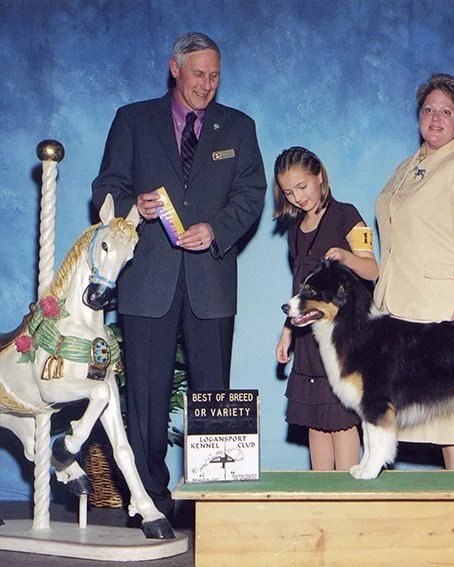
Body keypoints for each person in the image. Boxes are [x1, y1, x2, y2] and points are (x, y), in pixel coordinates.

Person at [92, 32, 266, 519]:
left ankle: (211, 502)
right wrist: (133, 208)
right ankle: (150, 498)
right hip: (147, 281)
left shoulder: (238, 127)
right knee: (145, 399)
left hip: (210, 282)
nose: (206, 85)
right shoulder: (132, 119)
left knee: (213, 395)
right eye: (197, 75)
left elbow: (252, 193)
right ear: (175, 68)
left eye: (214, 76)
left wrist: (216, 229)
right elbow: (107, 186)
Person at [374, 73, 454, 470]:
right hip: (402, 309)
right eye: (428, 109)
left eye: (446, 111)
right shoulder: (405, 168)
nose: (435, 118)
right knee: (409, 413)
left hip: (448, 310)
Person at [273, 146, 378, 470]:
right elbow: (299, 290)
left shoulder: (348, 215)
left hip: (341, 339)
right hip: (308, 338)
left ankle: (348, 499)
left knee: (342, 420)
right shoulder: (294, 228)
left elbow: (373, 270)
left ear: (320, 176)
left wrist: (347, 257)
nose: (297, 198)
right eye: (289, 192)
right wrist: (287, 331)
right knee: (315, 422)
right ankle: (319, 498)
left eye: (302, 187)